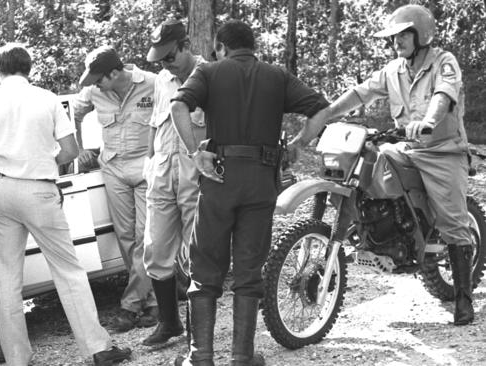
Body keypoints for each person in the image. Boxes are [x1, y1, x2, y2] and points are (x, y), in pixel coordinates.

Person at [0, 43, 131, 366]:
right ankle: (97, 348)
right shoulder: (46, 99)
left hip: (0, 191)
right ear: (29, 69)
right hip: (40, 189)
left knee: (7, 278)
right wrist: (44, 161)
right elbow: (70, 151)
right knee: (68, 271)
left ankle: (17, 358)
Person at [288, 4, 474, 326]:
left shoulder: (444, 63)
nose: (395, 42)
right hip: (408, 148)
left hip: (443, 152)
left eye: (402, 35)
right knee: (370, 165)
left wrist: (427, 122)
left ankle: (462, 298)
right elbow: (359, 94)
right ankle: (384, 233)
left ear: (420, 34)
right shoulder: (392, 70)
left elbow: (443, 97)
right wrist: (325, 116)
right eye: (392, 37)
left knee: (453, 220)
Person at [170, 20, 330, 365]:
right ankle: (242, 357)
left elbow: (178, 107)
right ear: (252, 46)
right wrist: (299, 143)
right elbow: (321, 109)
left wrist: (196, 151)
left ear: (221, 47)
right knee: (249, 269)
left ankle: (201, 356)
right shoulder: (277, 76)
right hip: (260, 183)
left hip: (219, 179)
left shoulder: (209, 72)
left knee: (206, 266)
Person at [74, 45, 157, 331]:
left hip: (146, 166)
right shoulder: (93, 91)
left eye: (99, 78)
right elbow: (75, 111)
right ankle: (154, 302)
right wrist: (79, 149)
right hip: (113, 167)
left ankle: (131, 305)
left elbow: (175, 114)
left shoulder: (152, 83)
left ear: (114, 72)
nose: (95, 84)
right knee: (125, 237)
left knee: (146, 238)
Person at [141, 19, 206, 346]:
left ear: (186, 44)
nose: (165, 63)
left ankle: (199, 331)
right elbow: (155, 123)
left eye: (170, 56)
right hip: (163, 170)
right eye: (160, 58)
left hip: (195, 170)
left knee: (198, 253)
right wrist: (149, 163)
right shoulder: (162, 80)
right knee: (156, 248)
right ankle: (170, 323)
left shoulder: (211, 76)